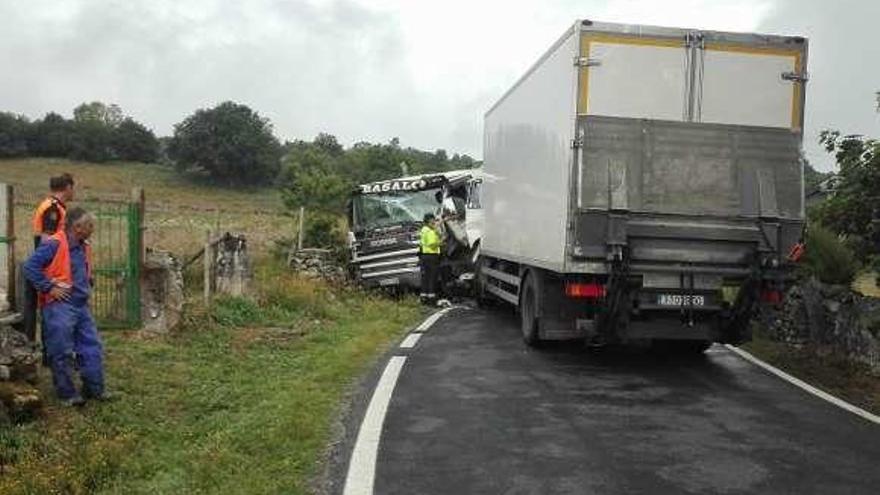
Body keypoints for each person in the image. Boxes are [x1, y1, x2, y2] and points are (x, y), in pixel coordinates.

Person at [24, 207, 108, 407]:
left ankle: (94, 389)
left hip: (80, 304)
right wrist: (48, 287)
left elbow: (79, 268)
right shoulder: (54, 243)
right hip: (60, 305)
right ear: (77, 227)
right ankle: (67, 394)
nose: (92, 229)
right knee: (61, 350)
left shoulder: (83, 245)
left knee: (92, 347)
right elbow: (30, 267)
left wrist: (88, 279)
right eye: (89, 225)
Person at [23, 174, 76, 344]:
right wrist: (50, 270)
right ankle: (46, 351)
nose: (73, 192)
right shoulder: (52, 208)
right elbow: (47, 239)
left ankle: (48, 348)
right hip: (49, 263)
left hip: (50, 261)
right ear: (67, 187)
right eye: (73, 188)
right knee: (49, 306)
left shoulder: (57, 206)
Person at [419, 213, 442, 304]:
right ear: (429, 220)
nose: (434, 222)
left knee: (426, 277)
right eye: (433, 220)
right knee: (432, 277)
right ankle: (432, 298)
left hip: (425, 256)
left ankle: (424, 297)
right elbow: (432, 244)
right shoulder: (430, 231)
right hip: (432, 256)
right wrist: (440, 243)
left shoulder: (424, 230)